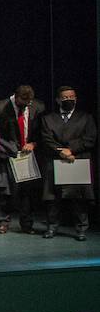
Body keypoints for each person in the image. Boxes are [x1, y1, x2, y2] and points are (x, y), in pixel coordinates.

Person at [40, 86, 95, 241]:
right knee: (53, 198)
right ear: (58, 100)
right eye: (65, 97)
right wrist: (60, 151)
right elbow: (46, 139)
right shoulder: (48, 118)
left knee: (79, 198)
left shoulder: (85, 117)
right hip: (55, 160)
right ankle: (52, 227)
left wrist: (71, 150)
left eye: (72, 97)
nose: (69, 100)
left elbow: (90, 138)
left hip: (77, 161)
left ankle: (81, 229)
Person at [0, 85, 45, 235]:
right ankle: (3, 221)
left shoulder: (38, 107)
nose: (26, 104)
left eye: (29, 102)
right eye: (23, 101)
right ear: (15, 97)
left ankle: (27, 223)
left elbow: (42, 131)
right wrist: (10, 149)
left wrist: (33, 143)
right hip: (7, 154)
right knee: (5, 191)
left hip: (28, 155)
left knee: (27, 192)